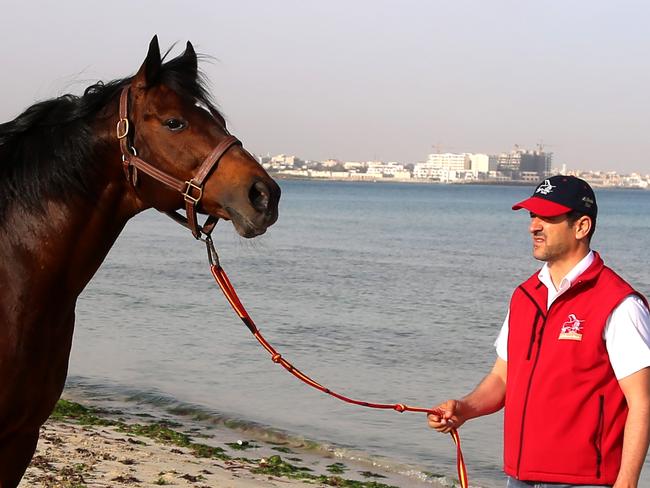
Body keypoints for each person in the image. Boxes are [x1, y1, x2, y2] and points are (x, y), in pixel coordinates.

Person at [428, 175, 650, 488]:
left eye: (547, 217)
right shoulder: (524, 296)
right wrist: (463, 409)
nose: (533, 226)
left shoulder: (619, 303)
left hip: (584, 481)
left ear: (581, 226)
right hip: (519, 477)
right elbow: (503, 378)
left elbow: (642, 402)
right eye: (533, 216)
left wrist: (626, 483)